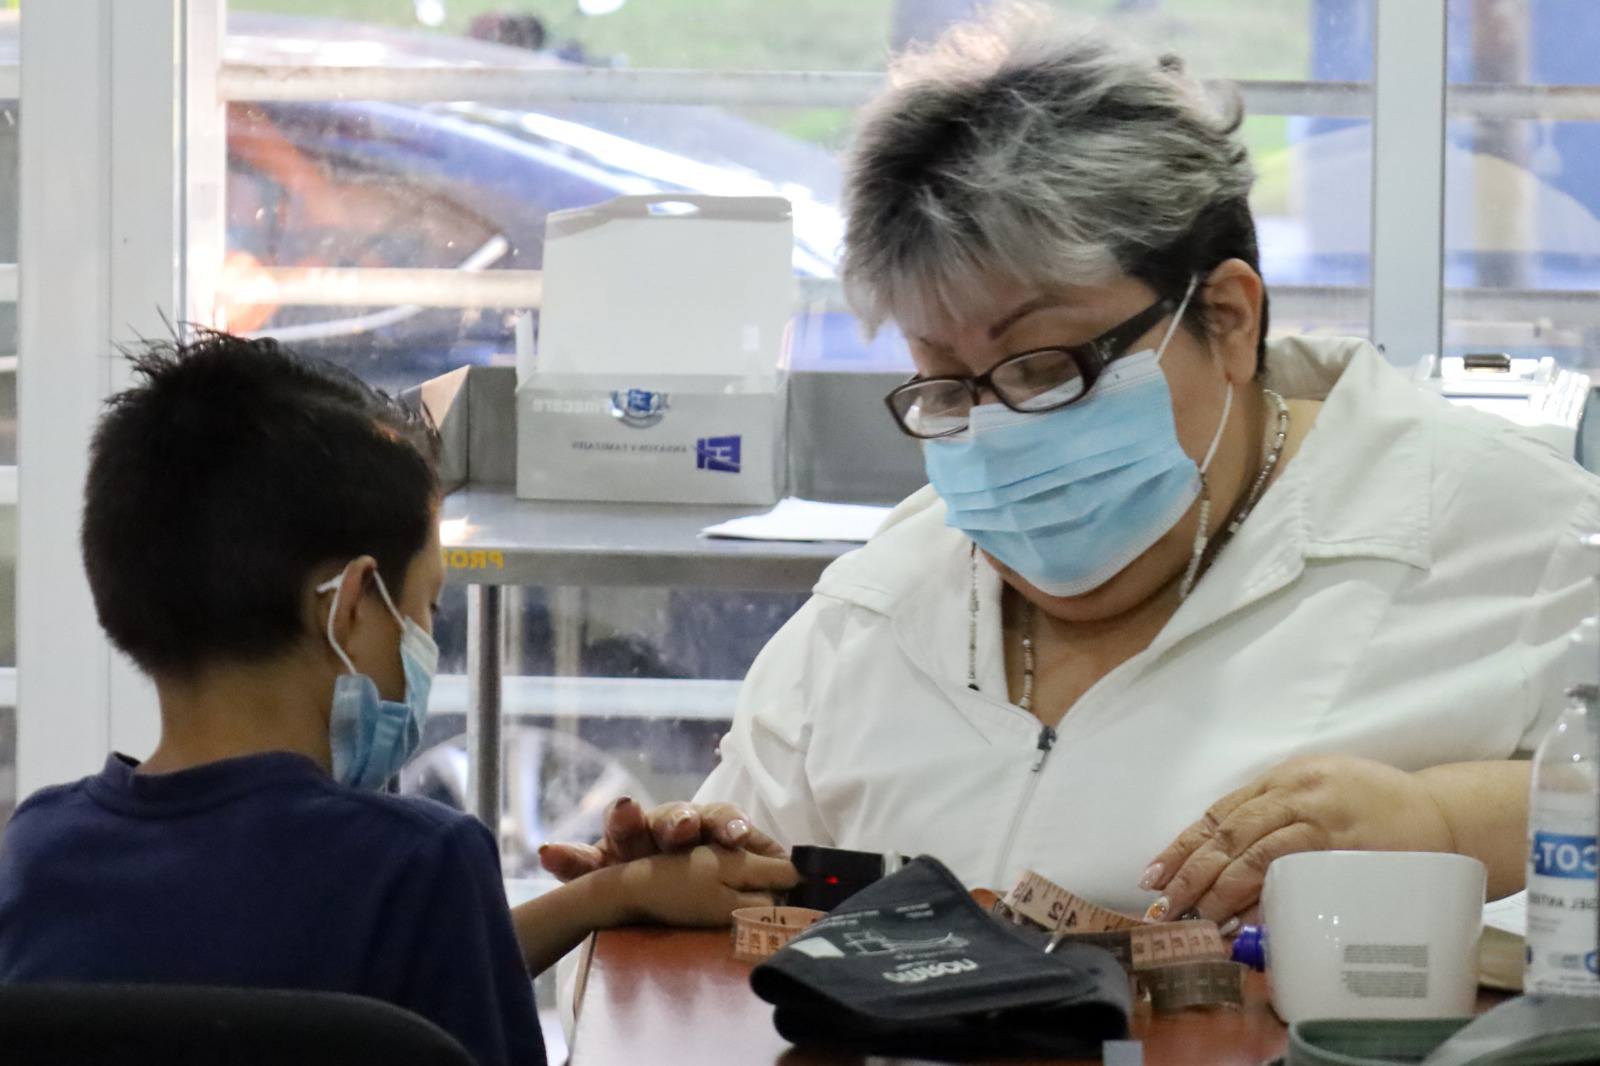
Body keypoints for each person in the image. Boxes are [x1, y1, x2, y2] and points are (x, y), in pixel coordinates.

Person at [542, 7, 1600, 932]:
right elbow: (748, 903)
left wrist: (1450, 822)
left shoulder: (1515, 541)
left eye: (1047, 368)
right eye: (946, 383)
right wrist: (699, 879)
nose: (1000, 432)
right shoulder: (876, 616)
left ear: (1228, 318)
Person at [0, 334, 795, 1066]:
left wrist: (607, 897)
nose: (424, 640)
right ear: (349, 607)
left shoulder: (42, 850)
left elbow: (285, 1001)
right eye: (426, 608)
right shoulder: (423, 862)